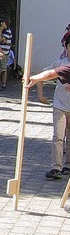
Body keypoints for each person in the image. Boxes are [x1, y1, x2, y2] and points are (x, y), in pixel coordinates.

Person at [29, 33, 70, 179]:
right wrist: (40, 95)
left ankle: (68, 166)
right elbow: (46, 74)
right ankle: (56, 168)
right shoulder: (62, 63)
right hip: (60, 105)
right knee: (58, 136)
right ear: (66, 47)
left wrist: (34, 78)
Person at [0, 17, 13, 89]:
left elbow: (2, 40)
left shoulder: (7, 32)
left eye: (3, 22)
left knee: (3, 69)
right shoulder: (3, 32)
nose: (1, 24)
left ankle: (3, 84)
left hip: (4, 53)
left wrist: (0, 31)